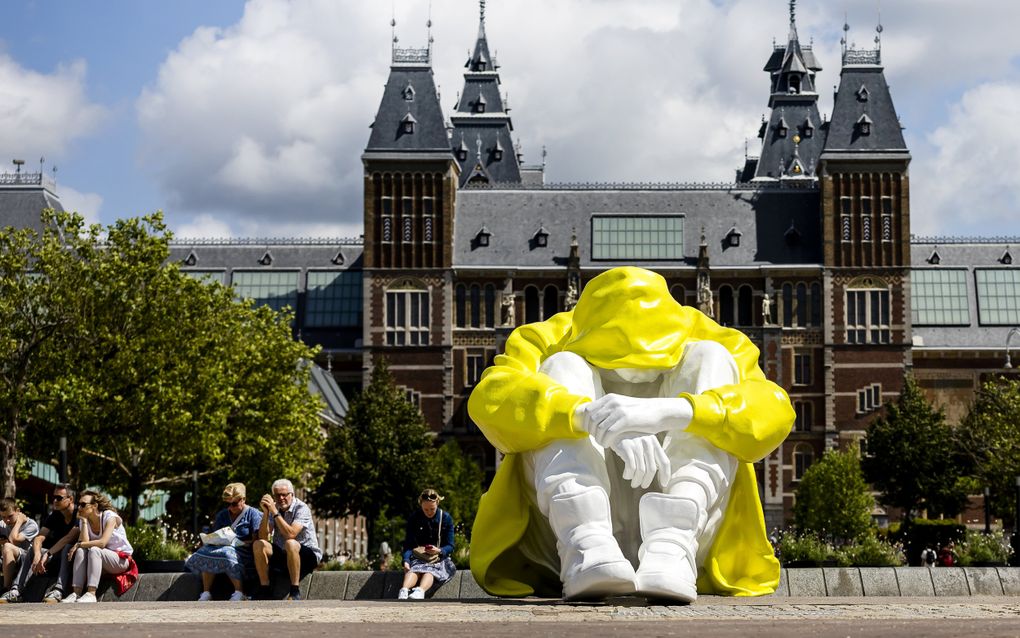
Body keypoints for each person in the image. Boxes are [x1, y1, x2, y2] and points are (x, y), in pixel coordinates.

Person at [467, 267, 794, 602]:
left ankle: (672, 543)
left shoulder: (711, 336)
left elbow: (775, 411)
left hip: (693, 537)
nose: (632, 382)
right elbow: (488, 400)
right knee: (562, 365)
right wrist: (588, 416)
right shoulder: (548, 337)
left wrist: (669, 412)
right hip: (558, 541)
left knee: (712, 358)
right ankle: (585, 541)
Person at [0, 485, 78, 603]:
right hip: (54, 556)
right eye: (54, 497)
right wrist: (37, 554)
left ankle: (59, 590)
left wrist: (48, 553)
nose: (55, 500)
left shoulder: (78, 514)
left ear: (71, 499)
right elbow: (39, 537)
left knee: (67, 547)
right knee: (33, 549)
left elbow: (68, 538)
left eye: (59, 498)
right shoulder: (55, 515)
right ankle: (16, 591)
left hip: (72, 558)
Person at [185, 483, 263, 601]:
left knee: (227, 553)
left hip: (244, 550)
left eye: (234, 504)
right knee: (206, 552)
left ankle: (239, 591)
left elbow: (256, 539)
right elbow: (216, 534)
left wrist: (240, 542)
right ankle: (206, 592)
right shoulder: (222, 514)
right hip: (223, 547)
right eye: (227, 504)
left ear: (243, 500)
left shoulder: (253, 514)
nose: (230, 507)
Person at [253, 479, 321, 601]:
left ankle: (295, 590)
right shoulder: (273, 509)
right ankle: (265, 588)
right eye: (277, 495)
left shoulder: (302, 508)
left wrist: (274, 512)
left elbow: (291, 534)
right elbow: (263, 536)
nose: (281, 498)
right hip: (284, 554)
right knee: (258, 544)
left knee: (290, 543)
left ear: (292, 494)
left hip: (307, 556)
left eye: (284, 494)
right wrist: (266, 512)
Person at [63, 490, 135, 604]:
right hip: (101, 559)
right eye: (79, 504)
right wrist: (84, 521)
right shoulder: (83, 520)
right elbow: (85, 543)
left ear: (94, 505)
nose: (79, 508)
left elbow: (102, 543)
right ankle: (76, 593)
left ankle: (91, 594)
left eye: (83, 505)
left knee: (95, 549)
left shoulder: (109, 516)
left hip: (121, 560)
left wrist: (78, 544)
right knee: (82, 551)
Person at [398, 489, 456, 600]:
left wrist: (439, 550)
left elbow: (450, 545)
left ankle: (420, 591)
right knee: (414, 570)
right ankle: (404, 590)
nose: (429, 512)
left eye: (432, 509)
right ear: (420, 505)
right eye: (425, 509)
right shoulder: (414, 518)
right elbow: (408, 544)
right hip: (419, 556)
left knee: (429, 571)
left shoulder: (446, 518)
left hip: (438, 558)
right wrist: (406, 560)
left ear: (437, 503)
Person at [0, 498, 40, 601]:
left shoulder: (31, 525)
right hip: (8, 557)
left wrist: (19, 522)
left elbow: (14, 540)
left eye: (10, 516)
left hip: (27, 559)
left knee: (7, 546)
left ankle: (6, 588)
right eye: (3, 517)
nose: (7, 520)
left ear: (18, 511)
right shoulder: (2, 524)